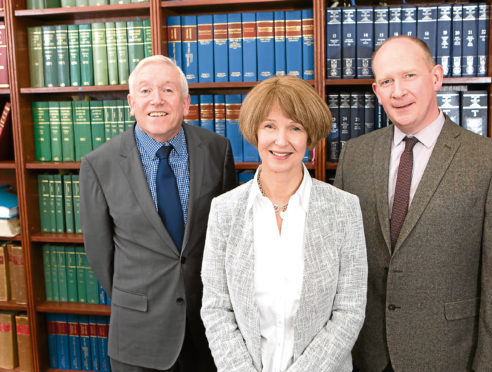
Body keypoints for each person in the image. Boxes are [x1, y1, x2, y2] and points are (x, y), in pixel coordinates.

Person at [334, 36, 492, 371]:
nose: (398, 91)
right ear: (376, 91)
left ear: (436, 77)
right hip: (365, 355)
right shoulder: (355, 155)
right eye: (387, 81)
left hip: (449, 356)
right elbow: (338, 259)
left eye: (409, 76)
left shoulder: (490, 161)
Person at [80, 55, 236, 372]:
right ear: (131, 102)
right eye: (146, 90)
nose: (157, 100)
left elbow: (227, 238)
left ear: (185, 102)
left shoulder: (217, 150)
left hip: (207, 329)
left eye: (167, 90)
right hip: (139, 334)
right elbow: (100, 254)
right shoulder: (99, 164)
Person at [200, 75, 367, 372]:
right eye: (269, 126)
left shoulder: (344, 209)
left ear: (309, 137)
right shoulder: (224, 210)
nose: (281, 140)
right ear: (255, 131)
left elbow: (349, 311)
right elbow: (216, 309)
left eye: (295, 128)